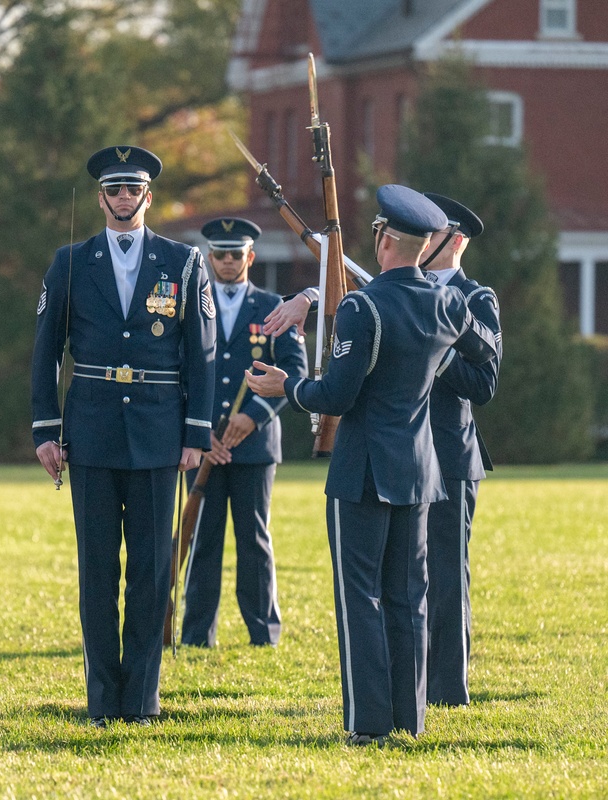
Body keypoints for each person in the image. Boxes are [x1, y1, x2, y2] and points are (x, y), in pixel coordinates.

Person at [244, 185, 498, 745]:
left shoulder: (364, 307)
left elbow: (335, 394)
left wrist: (291, 385)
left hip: (362, 471)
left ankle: (368, 722)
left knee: (360, 596)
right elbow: (481, 351)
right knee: (408, 597)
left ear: (383, 239)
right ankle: (410, 720)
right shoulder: (449, 303)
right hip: (422, 471)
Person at [31, 145, 216, 727]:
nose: (122, 199)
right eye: (113, 190)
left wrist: (196, 432)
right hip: (90, 431)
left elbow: (202, 354)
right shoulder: (69, 262)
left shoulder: (184, 262)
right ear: (101, 197)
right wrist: (45, 429)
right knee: (97, 571)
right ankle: (101, 699)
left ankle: (141, 700)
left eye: (132, 190)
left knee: (152, 569)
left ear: (147, 196)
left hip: (161, 433)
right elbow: (44, 354)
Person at [180, 218, 307, 648]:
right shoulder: (189, 305)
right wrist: (201, 435)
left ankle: (263, 632)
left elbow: (296, 371)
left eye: (237, 254)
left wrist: (252, 416)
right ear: (209, 258)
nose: (229, 261)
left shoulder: (276, 307)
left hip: (253, 445)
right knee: (201, 539)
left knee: (254, 540)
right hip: (202, 445)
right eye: (221, 254)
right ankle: (197, 634)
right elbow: (177, 372)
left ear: (251, 256)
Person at [419, 193, 501, 706]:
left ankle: (450, 689)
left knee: (446, 577)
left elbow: (484, 382)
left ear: (457, 240)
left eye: (435, 233)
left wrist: (435, 349)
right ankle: (412, 679)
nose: (424, 241)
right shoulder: (401, 290)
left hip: (449, 456)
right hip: (399, 452)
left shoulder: (476, 299)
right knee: (404, 576)